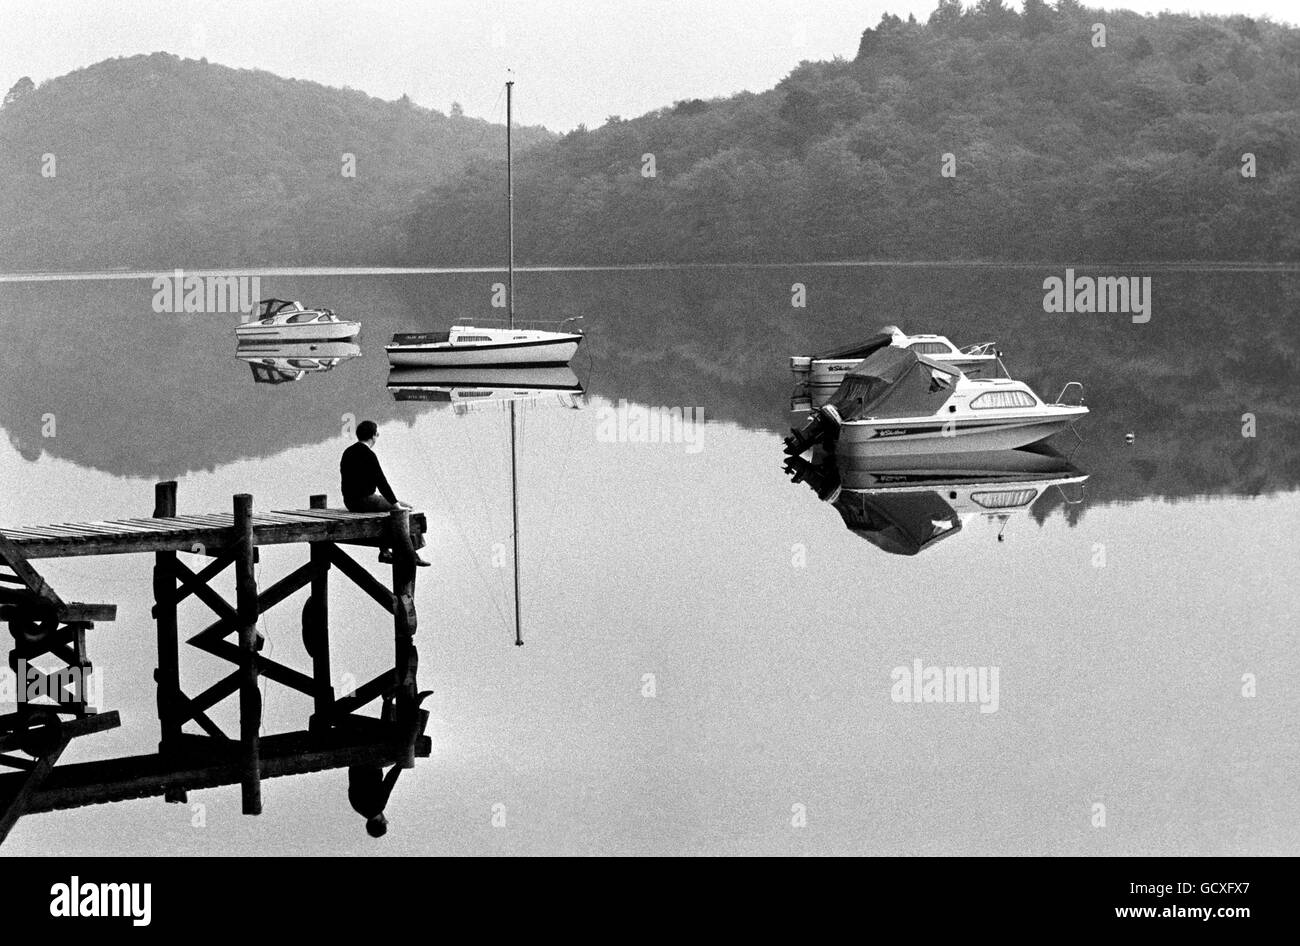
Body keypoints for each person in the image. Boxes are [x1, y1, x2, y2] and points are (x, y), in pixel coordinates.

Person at [340, 420, 430, 566]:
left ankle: (385, 551)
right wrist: (396, 505)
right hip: (365, 500)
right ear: (373, 436)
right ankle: (411, 553)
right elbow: (382, 483)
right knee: (408, 510)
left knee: (387, 513)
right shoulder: (369, 455)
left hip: (350, 502)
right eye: (377, 434)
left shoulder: (348, 452)